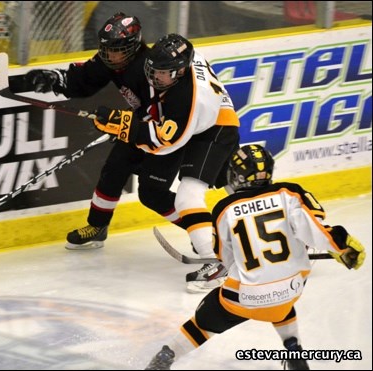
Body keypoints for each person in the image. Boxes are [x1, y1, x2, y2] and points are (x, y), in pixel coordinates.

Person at [143, 144, 366, 370]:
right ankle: (295, 352)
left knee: (204, 320)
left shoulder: (225, 208)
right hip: (291, 290)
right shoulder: (290, 193)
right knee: (280, 292)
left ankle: (165, 358)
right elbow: (318, 230)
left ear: (237, 176)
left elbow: (225, 258)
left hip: (244, 299)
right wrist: (343, 249)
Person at [24, 14, 190, 261]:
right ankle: (98, 226)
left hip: (171, 134)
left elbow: (167, 114)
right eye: (106, 49)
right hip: (141, 127)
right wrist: (55, 80)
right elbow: (83, 80)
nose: (109, 55)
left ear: (133, 47)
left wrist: (126, 124)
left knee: (153, 193)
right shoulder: (111, 61)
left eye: (116, 50)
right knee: (114, 167)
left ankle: (206, 231)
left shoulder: (150, 67)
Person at [90, 33, 240, 292]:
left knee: (188, 198)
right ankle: (280, 233)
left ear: (180, 71)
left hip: (213, 130)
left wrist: (125, 127)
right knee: (234, 187)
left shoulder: (187, 98)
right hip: (205, 123)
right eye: (154, 69)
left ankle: (216, 264)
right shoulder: (182, 65)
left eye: (162, 73)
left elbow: (164, 144)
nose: (154, 76)